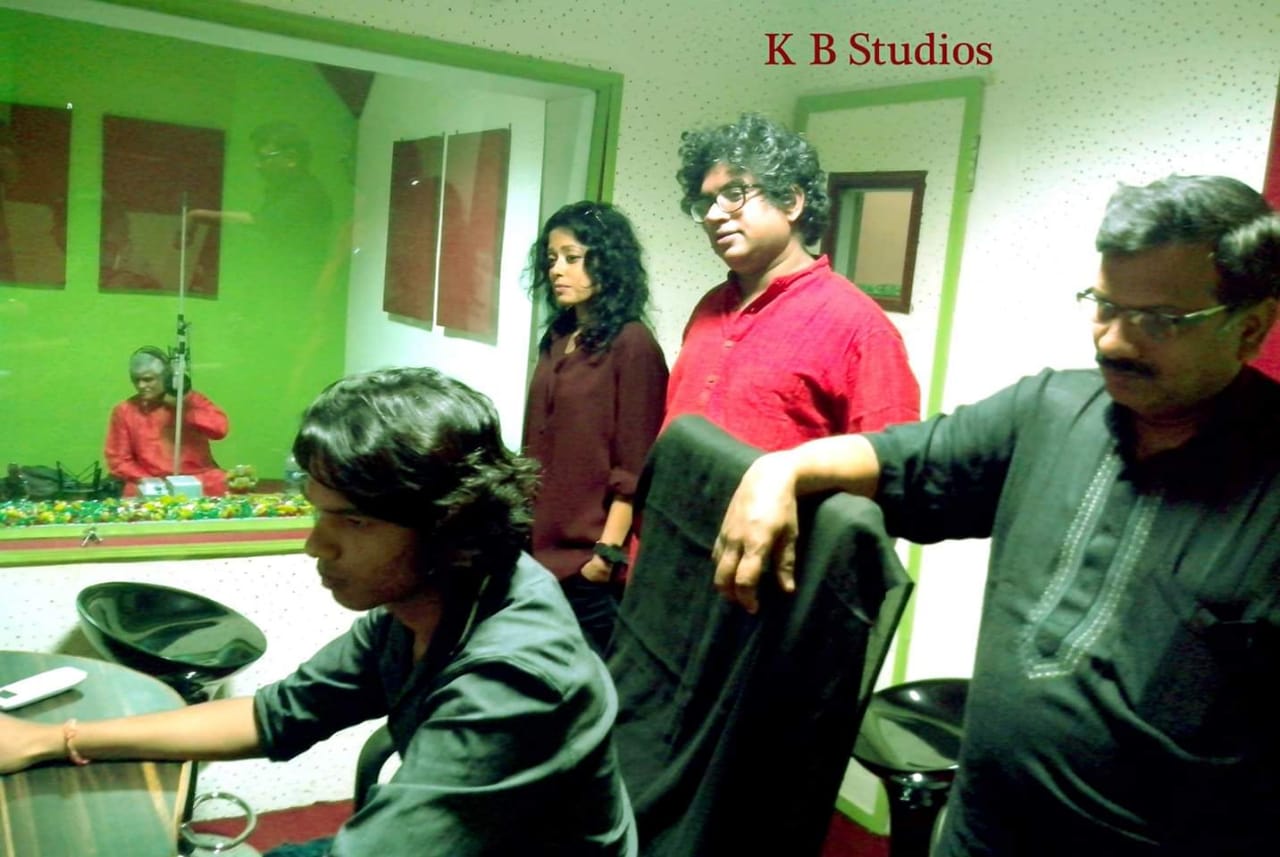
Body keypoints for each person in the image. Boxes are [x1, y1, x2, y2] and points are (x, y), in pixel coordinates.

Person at [712, 175, 1280, 856]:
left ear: (1250, 326)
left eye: (1158, 319)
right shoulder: (1048, 410)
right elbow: (903, 458)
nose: (1114, 341)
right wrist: (781, 469)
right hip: (978, 832)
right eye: (1104, 305)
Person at [4, 367, 638, 856]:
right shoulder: (429, 598)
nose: (316, 545)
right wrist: (52, 740)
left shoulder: (513, 682)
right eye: (318, 511)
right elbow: (278, 714)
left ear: (449, 525)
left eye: (352, 521)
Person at [665, 112, 920, 451]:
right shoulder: (711, 306)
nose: (713, 215)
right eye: (705, 202)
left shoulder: (860, 327)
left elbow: (891, 462)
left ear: (790, 201)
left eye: (733, 194)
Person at [522, 201, 669, 656]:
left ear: (606, 262)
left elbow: (636, 465)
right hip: (538, 551)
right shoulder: (559, 335)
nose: (556, 270)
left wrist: (605, 555)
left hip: (588, 562)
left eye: (572, 257)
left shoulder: (632, 345)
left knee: (596, 678)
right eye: (551, 259)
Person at [104, 346, 230, 496]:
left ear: (167, 378)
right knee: (132, 492)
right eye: (136, 380)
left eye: (148, 379)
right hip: (149, 481)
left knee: (221, 482)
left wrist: (185, 407)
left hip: (197, 478)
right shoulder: (125, 411)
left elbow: (219, 430)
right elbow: (119, 460)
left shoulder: (192, 400)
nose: (141, 386)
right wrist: (152, 482)